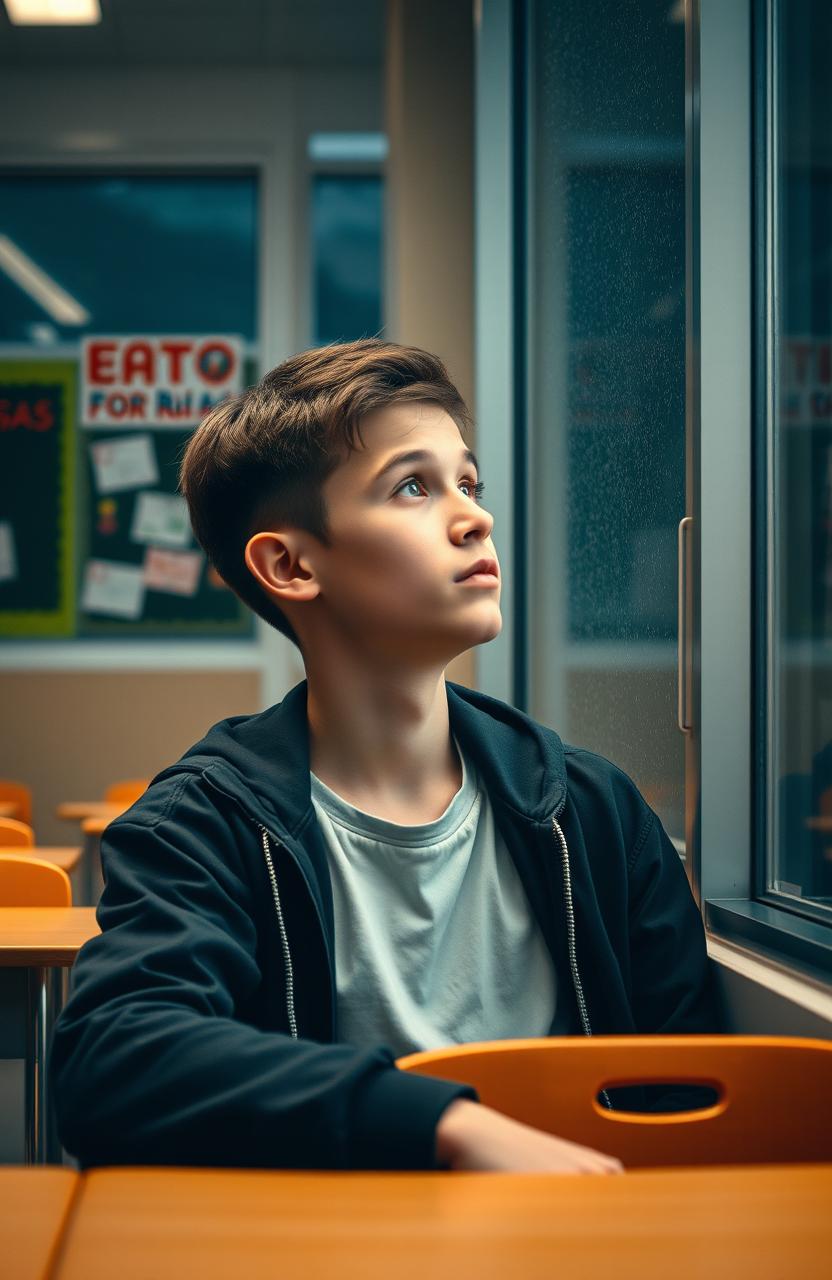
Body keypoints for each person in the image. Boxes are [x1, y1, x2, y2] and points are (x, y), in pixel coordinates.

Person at [50, 338, 719, 1174]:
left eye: (469, 483)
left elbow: (695, 1083)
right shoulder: (202, 824)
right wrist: (447, 1127)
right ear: (289, 564)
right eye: (414, 487)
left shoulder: (592, 810)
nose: (474, 515)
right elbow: (113, 1060)